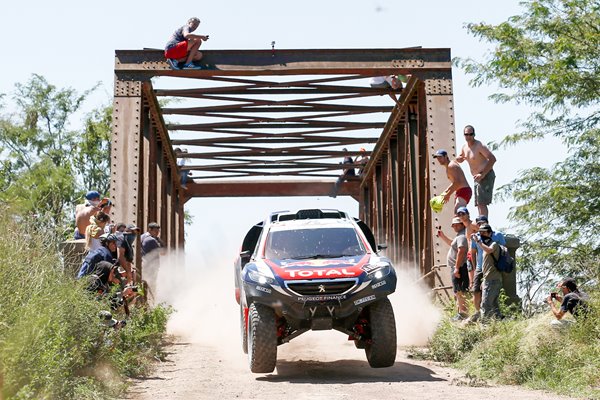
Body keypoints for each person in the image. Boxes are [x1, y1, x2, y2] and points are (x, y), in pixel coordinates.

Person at [468, 215, 506, 321]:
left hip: (492, 269)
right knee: (477, 290)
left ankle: (486, 322)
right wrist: (475, 269)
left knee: (488, 300)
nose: (481, 226)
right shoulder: (477, 237)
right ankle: (480, 313)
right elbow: (473, 253)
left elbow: (493, 250)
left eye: (483, 223)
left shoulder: (495, 240)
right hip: (481, 268)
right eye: (479, 224)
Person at [456, 125, 497, 217]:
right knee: (478, 202)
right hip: (477, 178)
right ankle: (481, 220)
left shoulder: (479, 146)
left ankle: (484, 223)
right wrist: (459, 159)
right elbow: (461, 157)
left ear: (474, 134)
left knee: (482, 203)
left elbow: (492, 159)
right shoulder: (465, 147)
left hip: (485, 175)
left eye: (470, 134)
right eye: (466, 134)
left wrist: (482, 174)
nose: (468, 137)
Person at [437, 217, 469, 320]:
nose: (454, 226)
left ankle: (462, 314)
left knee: (459, 290)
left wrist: (456, 268)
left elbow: (462, 250)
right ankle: (461, 313)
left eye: (456, 224)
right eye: (453, 225)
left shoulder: (461, 236)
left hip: (458, 267)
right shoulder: (460, 236)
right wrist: (443, 236)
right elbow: (453, 245)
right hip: (458, 266)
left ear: (462, 224)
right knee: (458, 290)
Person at [474, 223, 502, 320]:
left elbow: (490, 250)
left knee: (485, 305)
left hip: (493, 280)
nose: (482, 235)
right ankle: (500, 323)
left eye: (484, 232)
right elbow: (486, 266)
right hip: (488, 280)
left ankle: (485, 327)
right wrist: (483, 281)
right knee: (494, 305)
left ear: (490, 233)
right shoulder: (485, 247)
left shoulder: (493, 245)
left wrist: (478, 242)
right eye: (480, 233)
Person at [433, 149, 472, 214]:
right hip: (460, 191)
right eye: (437, 158)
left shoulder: (451, 166)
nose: (438, 159)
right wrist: (446, 191)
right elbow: (455, 182)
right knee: (457, 214)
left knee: (458, 213)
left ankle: (470, 223)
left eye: (440, 157)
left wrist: (448, 194)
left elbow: (457, 182)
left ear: (446, 156)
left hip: (464, 190)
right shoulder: (449, 166)